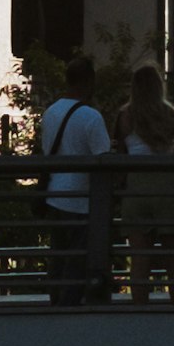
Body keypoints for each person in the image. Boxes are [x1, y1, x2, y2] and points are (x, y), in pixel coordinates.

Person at [36, 55, 115, 303]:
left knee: (58, 255)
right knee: (78, 258)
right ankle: (70, 305)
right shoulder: (91, 117)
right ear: (88, 82)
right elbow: (103, 160)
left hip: (54, 195)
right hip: (81, 199)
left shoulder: (50, 112)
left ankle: (56, 300)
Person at [120, 62, 174, 301]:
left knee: (139, 259)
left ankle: (140, 310)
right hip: (167, 186)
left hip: (136, 188)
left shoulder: (125, 115)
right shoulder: (169, 114)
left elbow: (123, 150)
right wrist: (173, 152)